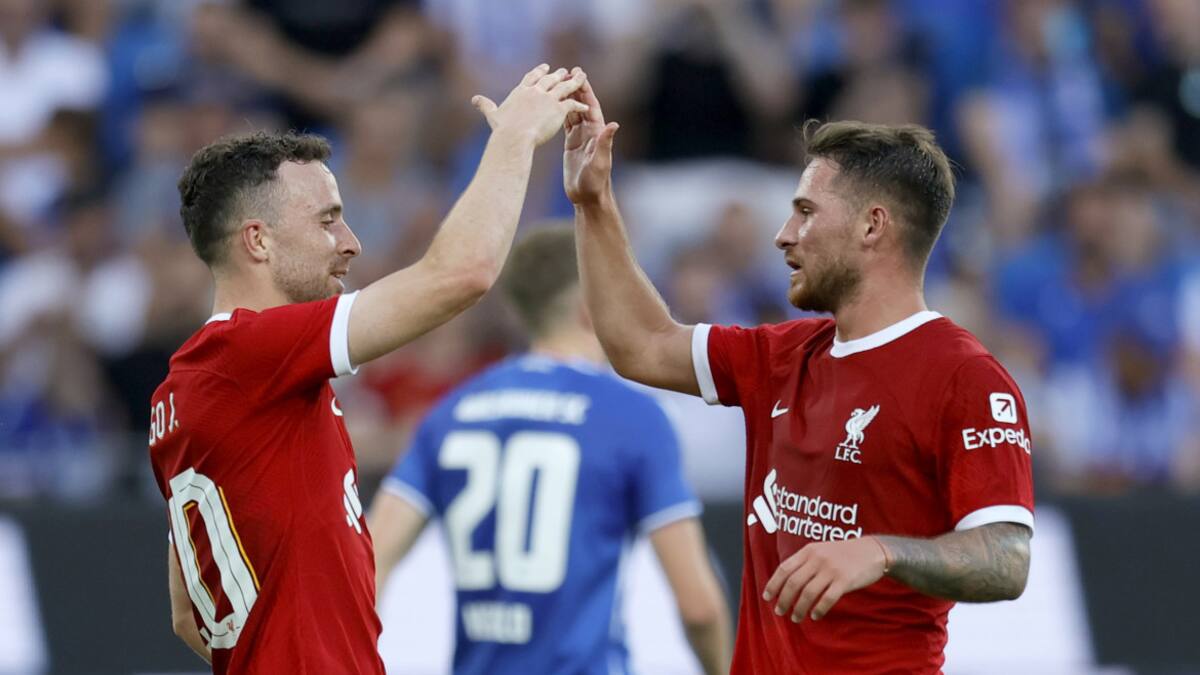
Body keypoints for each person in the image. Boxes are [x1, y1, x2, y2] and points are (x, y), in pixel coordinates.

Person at [563, 78, 1034, 673]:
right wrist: (594, 202)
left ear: (872, 226)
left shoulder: (966, 379)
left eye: (806, 212)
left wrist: (882, 552)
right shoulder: (784, 355)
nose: (783, 234)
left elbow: (1007, 556)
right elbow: (642, 346)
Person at [147, 64, 589, 673]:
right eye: (327, 220)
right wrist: (513, 139)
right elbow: (461, 276)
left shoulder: (183, 387)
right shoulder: (249, 353)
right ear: (258, 241)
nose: (350, 241)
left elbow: (185, 614)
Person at [368, 225, 733, 675]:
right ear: (590, 306)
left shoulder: (450, 413)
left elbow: (369, 562)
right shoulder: (633, 417)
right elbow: (698, 606)